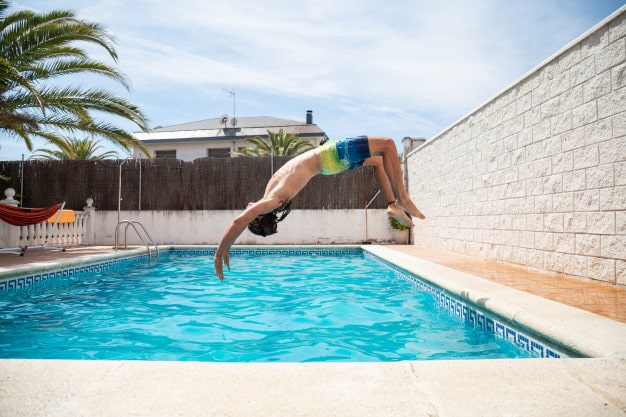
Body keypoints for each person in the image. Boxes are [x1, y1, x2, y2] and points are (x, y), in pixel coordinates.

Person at [214, 135, 425, 280]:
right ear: (260, 217)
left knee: (379, 161)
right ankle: (403, 199)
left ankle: (391, 203)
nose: (246, 210)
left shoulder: (270, 194)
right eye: (252, 215)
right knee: (388, 144)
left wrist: (229, 245)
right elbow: (238, 221)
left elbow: (241, 224)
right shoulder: (272, 201)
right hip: (331, 155)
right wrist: (219, 253)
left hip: (328, 162)